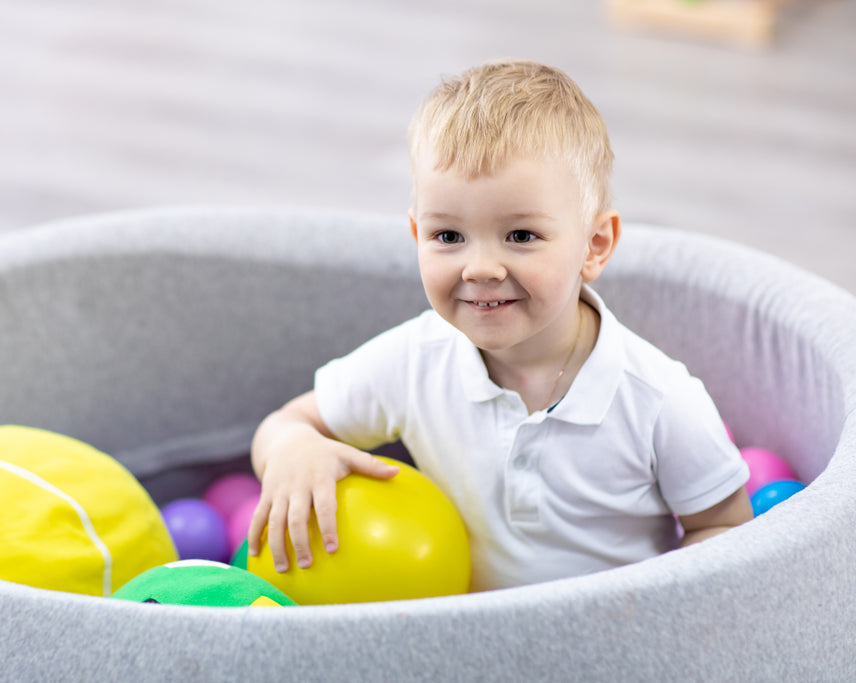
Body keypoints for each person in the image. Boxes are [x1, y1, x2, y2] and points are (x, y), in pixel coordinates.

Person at [247, 59, 753, 590]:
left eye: (520, 236)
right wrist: (293, 451)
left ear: (594, 245)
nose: (481, 268)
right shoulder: (414, 361)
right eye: (448, 236)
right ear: (417, 234)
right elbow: (286, 423)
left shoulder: (657, 399)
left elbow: (724, 525)